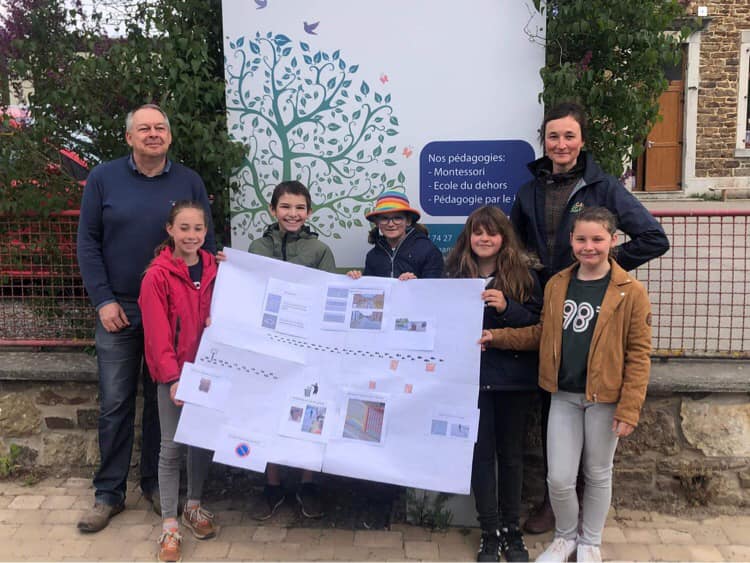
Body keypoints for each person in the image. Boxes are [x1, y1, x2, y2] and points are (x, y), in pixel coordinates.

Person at [510, 102, 668, 533]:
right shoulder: (528, 191)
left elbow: (654, 237)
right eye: (553, 136)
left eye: (569, 136)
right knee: (552, 403)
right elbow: (515, 248)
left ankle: (585, 506)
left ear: (582, 141)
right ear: (544, 140)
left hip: (597, 311)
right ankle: (554, 501)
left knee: (593, 411)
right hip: (548, 307)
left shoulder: (603, 187)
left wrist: (598, 265)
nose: (561, 144)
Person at [480, 207, 652, 563]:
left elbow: (639, 353)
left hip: (604, 397)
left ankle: (590, 541)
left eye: (597, 239)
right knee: (558, 478)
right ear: (571, 241)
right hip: (562, 395)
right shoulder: (558, 283)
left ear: (612, 240)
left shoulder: (630, 291)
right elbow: (542, 333)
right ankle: (565, 536)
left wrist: (630, 407)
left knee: (598, 473)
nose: (589, 247)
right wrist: (498, 337)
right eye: (581, 239)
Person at [76, 104, 215, 533]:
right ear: (129, 137)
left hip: (173, 312)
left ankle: (157, 486)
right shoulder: (103, 179)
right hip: (119, 308)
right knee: (116, 402)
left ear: (169, 137)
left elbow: (207, 243)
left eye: (159, 128)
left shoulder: (188, 181)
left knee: (161, 404)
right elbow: (87, 242)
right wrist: (103, 300)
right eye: (144, 129)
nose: (153, 134)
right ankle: (108, 494)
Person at [445, 206, 542, 563]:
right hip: (470, 381)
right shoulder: (453, 274)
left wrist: (506, 307)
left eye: (492, 233)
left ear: (504, 238)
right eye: (478, 232)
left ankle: (511, 531)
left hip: (513, 381)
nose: (484, 239)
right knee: (481, 456)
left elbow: (538, 324)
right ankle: (489, 531)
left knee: (512, 457)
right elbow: (435, 317)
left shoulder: (524, 276)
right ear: (468, 237)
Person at [248, 180, 336, 520]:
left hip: (307, 347)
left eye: (300, 208)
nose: (292, 213)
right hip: (268, 345)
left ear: (309, 212)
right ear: (273, 210)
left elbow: (330, 296)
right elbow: (248, 289)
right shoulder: (257, 247)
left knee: (309, 410)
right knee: (268, 410)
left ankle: (307, 483)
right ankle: (271, 484)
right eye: (285, 206)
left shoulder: (320, 250)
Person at [139, 201, 219, 562]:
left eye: (198, 228)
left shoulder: (216, 269)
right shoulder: (156, 276)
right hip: (175, 375)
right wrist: (172, 378)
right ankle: (169, 525)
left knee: (200, 443)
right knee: (171, 448)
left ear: (205, 231)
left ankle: (194, 506)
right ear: (170, 230)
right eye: (184, 228)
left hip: (210, 373)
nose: (191, 235)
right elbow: (157, 334)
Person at [348, 190, 444, 280]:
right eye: (384, 218)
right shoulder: (372, 256)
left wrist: (414, 284)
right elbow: (370, 290)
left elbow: (434, 289)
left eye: (397, 218)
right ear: (377, 223)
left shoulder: (428, 251)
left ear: (408, 221)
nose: (390, 224)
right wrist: (356, 280)